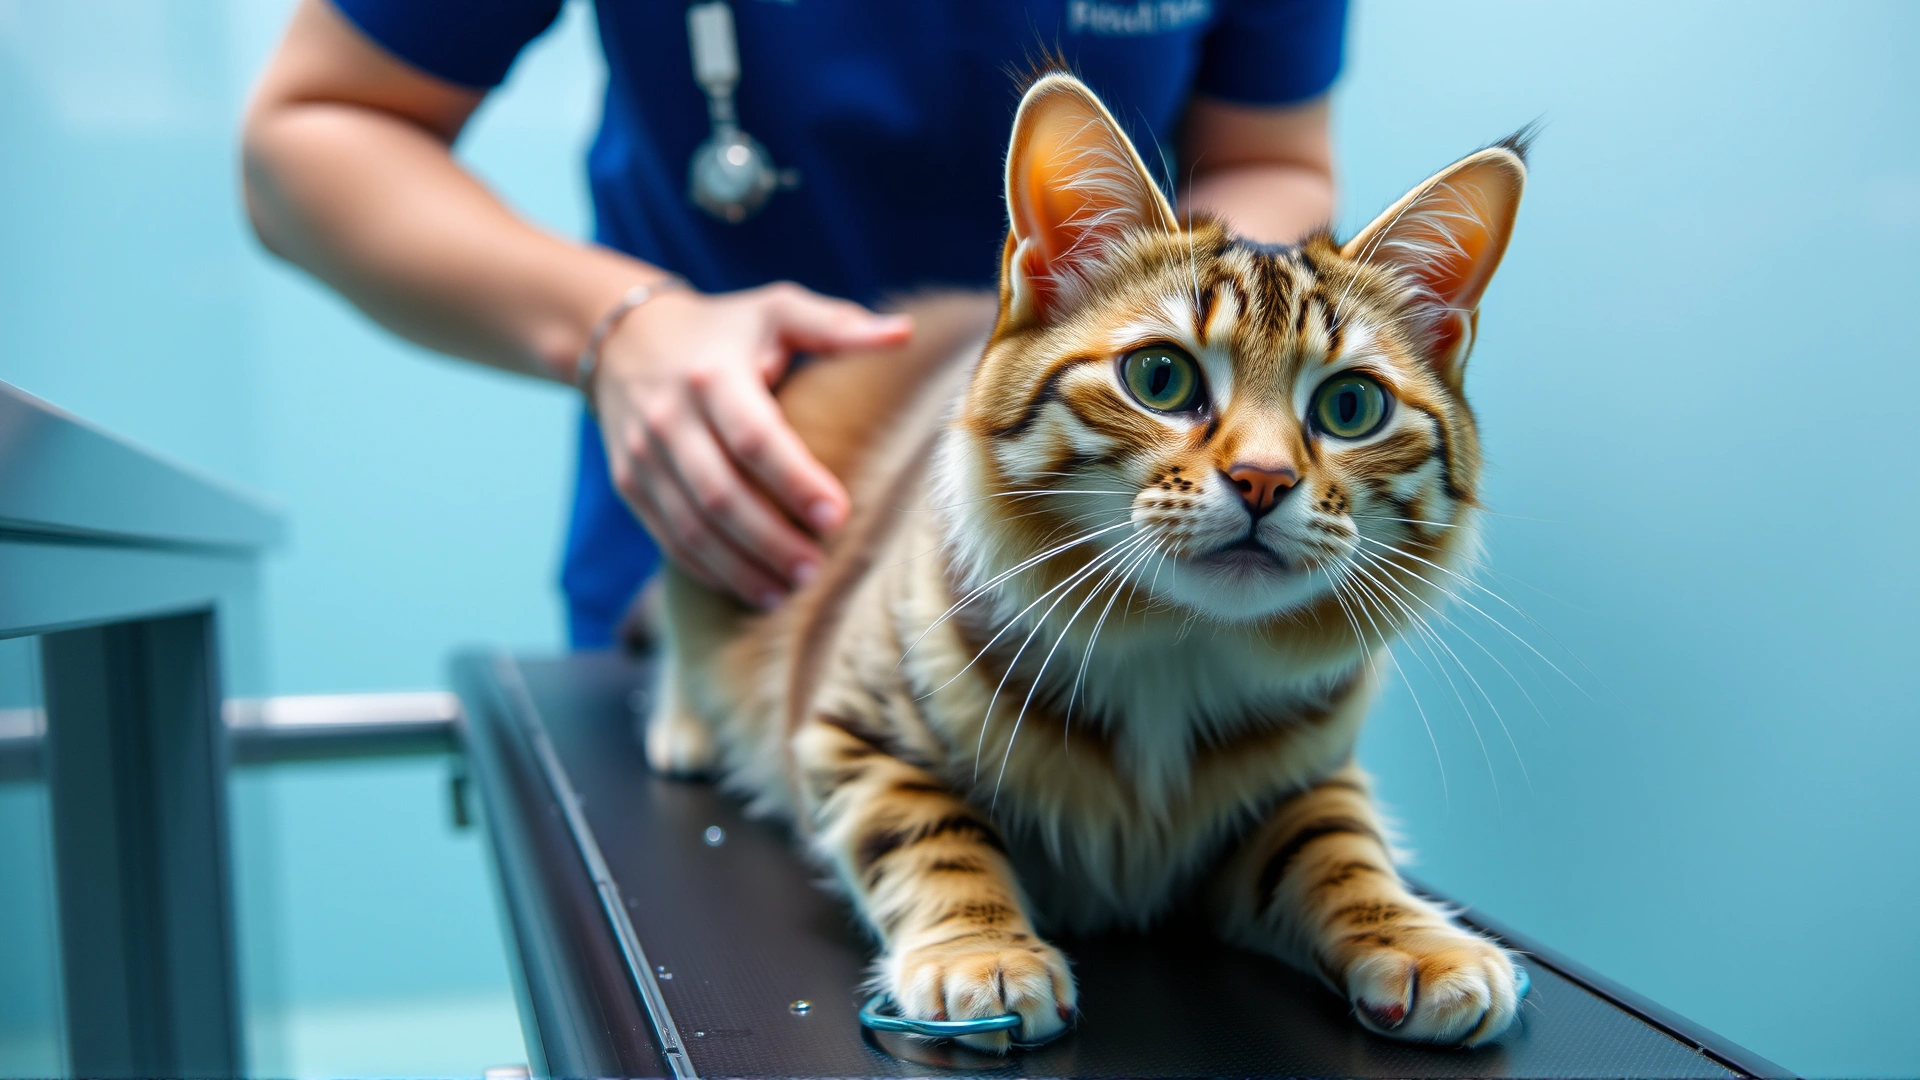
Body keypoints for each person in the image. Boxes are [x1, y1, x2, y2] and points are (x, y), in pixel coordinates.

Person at [241, 0, 1345, 648]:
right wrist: (619, 324)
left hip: (1103, 565)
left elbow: (1268, 159)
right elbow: (309, 137)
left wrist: (1160, 356)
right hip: (732, 556)